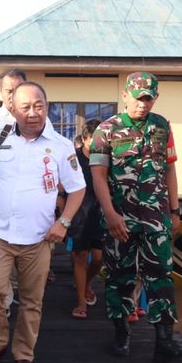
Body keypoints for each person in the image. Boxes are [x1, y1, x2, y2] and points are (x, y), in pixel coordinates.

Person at [0, 81, 85, 363]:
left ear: (47, 106)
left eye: (39, 106)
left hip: (40, 238)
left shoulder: (60, 145)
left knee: (32, 300)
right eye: (25, 107)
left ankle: (23, 355)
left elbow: (77, 189)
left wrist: (65, 222)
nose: (33, 113)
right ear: (13, 109)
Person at [90, 71, 182, 363]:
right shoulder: (106, 130)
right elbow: (98, 176)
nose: (143, 104)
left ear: (155, 98)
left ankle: (164, 342)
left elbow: (170, 169)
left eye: (148, 99)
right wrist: (110, 214)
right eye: (138, 98)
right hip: (119, 219)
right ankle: (121, 336)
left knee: (162, 277)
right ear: (125, 96)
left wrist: (174, 210)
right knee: (119, 277)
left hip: (156, 217)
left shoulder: (162, 126)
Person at [68, 118, 104, 319]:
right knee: (80, 256)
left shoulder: (108, 158)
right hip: (80, 211)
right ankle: (81, 301)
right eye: (94, 139)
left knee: (98, 258)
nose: (99, 143)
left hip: (100, 211)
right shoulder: (75, 159)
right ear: (84, 138)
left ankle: (87, 282)